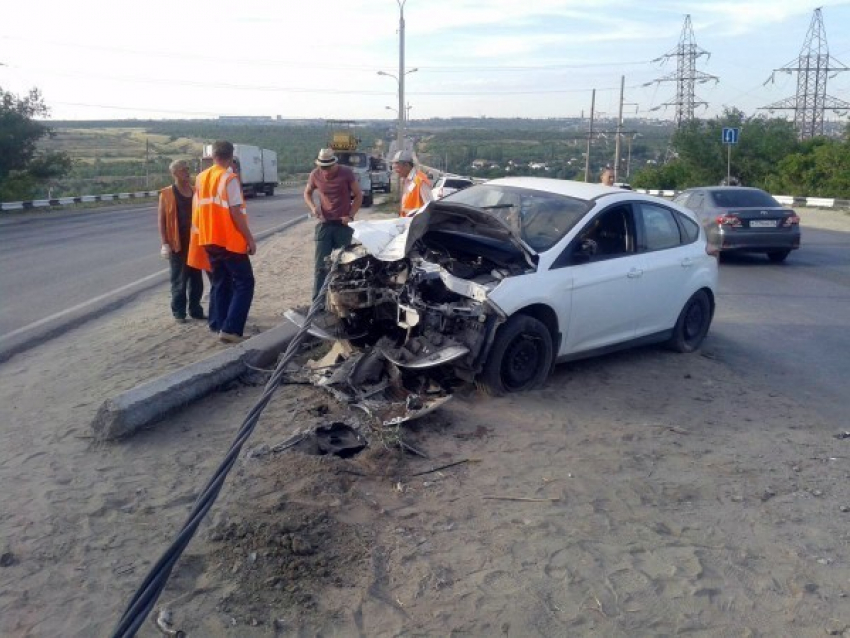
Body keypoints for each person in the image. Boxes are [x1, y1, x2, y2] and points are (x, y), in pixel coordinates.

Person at [194, 140, 256, 343]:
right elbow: (235, 212)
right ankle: (231, 329)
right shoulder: (229, 178)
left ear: (213, 155)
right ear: (231, 156)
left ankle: (218, 324)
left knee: (220, 281)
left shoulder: (201, 178)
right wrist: (249, 238)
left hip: (208, 239)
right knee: (245, 282)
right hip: (228, 240)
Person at [303, 148, 363, 299]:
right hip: (325, 223)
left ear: (334, 163)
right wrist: (313, 207)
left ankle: (341, 298)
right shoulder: (315, 175)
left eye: (328, 167)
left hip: (343, 225)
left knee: (342, 264)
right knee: (321, 265)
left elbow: (358, 195)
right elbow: (307, 192)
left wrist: (350, 215)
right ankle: (318, 301)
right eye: (322, 167)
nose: (326, 171)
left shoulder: (346, 173)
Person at [158, 159, 204, 323]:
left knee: (196, 280)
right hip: (177, 244)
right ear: (175, 173)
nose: (187, 172)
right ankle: (179, 312)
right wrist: (165, 243)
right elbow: (162, 220)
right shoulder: (167, 194)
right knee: (179, 280)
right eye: (184, 170)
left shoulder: (194, 191)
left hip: (195, 243)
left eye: (188, 169)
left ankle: (195, 309)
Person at [392, 150, 432, 217]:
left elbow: (430, 207)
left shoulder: (420, 181)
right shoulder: (406, 180)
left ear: (406, 165)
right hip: (407, 223)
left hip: (418, 224)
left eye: (398, 169)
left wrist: (411, 212)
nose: (396, 172)